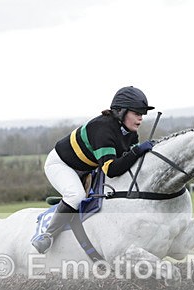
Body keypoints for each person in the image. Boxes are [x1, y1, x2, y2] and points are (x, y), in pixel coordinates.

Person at [31, 86, 156, 253]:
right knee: (76, 196)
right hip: (62, 165)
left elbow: (127, 164)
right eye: (137, 113)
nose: (141, 119)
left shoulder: (130, 133)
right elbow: (111, 169)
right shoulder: (103, 129)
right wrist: (136, 151)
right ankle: (47, 237)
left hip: (87, 167)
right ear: (121, 112)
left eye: (142, 114)